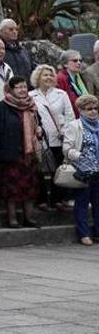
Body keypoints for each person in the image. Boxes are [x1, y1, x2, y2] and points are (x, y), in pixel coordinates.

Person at [0, 76, 42, 229]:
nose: (22, 90)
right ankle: (12, 219)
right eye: (19, 87)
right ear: (11, 89)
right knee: (11, 190)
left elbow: (39, 125)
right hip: (10, 154)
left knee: (30, 188)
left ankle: (29, 217)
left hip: (29, 154)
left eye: (24, 87)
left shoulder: (31, 106)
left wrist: (40, 131)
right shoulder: (1, 107)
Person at [30, 64, 75, 212]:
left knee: (58, 168)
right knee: (41, 170)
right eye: (45, 75)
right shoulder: (31, 96)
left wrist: (67, 132)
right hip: (41, 139)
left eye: (51, 75)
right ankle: (41, 199)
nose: (49, 77)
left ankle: (58, 199)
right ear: (38, 77)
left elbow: (69, 115)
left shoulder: (61, 94)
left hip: (59, 137)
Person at [62, 95, 99, 245]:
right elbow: (67, 149)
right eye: (89, 109)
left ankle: (98, 232)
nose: (93, 111)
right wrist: (81, 156)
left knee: (98, 202)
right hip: (83, 170)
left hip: (98, 169)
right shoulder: (74, 126)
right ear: (81, 110)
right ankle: (83, 233)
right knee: (82, 202)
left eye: (95, 108)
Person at [57, 50, 99, 116]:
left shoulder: (78, 76)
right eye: (75, 60)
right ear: (65, 64)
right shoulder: (61, 78)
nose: (79, 63)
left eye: (80, 60)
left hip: (85, 115)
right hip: (72, 118)